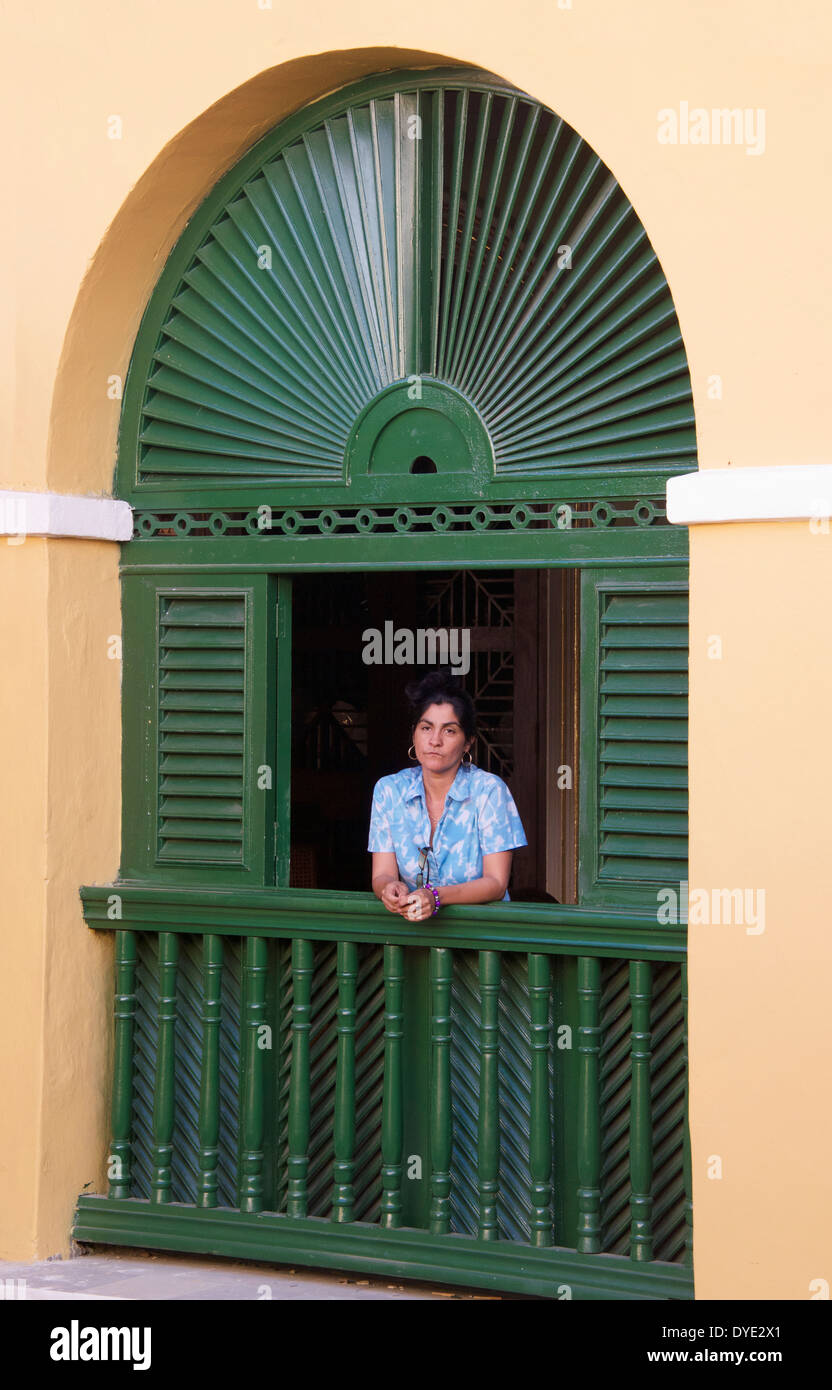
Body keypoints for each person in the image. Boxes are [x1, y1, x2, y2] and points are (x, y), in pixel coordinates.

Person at [368, 669, 527, 921]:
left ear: (468, 742)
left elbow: (496, 883)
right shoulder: (389, 790)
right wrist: (388, 888)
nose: (435, 740)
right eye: (426, 727)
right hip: (411, 933)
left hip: (481, 938)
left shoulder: (488, 791)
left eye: (449, 730)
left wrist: (435, 895)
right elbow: (382, 874)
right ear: (414, 733)